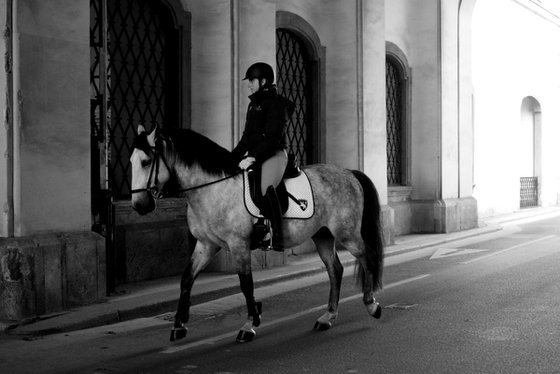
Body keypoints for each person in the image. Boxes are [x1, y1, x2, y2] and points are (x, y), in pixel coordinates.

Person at [232, 62, 294, 251]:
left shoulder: (276, 104)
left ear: (264, 81)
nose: (249, 84)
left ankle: (277, 235)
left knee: (266, 187)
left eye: (252, 80)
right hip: (257, 154)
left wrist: (252, 157)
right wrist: (230, 158)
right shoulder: (253, 105)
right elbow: (245, 139)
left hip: (274, 153)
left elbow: (273, 138)